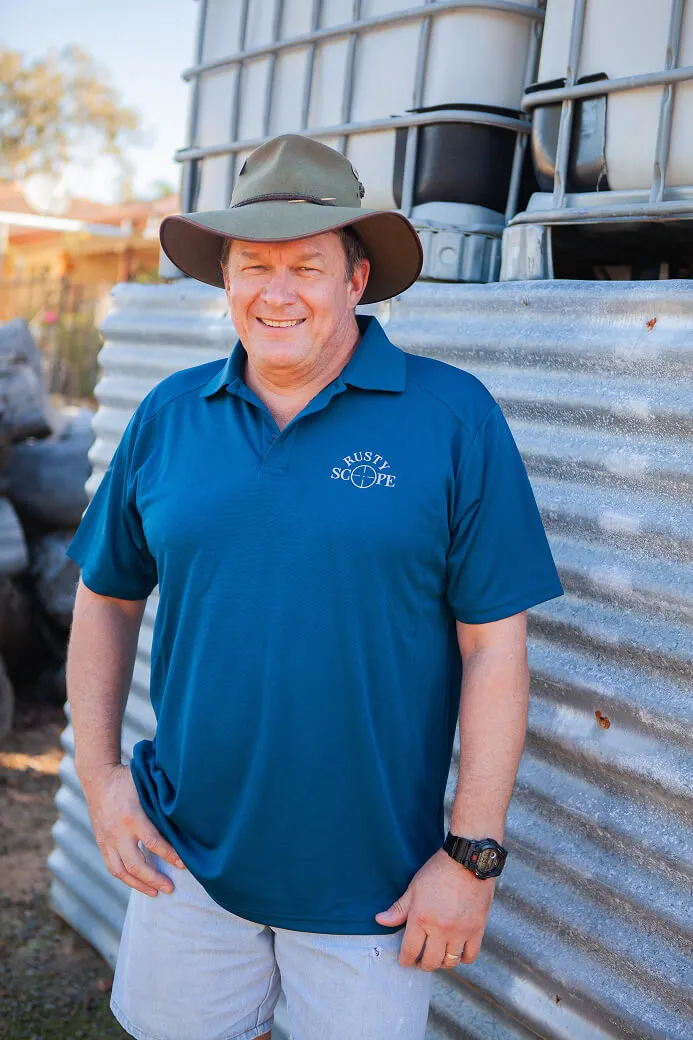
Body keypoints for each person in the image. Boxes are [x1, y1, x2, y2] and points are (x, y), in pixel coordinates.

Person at [65, 133, 563, 1040]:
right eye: (253, 266)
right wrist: (99, 779)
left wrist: (471, 855)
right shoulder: (170, 415)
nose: (277, 292)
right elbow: (107, 597)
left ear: (355, 280)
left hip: (372, 882)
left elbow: (494, 647)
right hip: (187, 858)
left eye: (306, 266)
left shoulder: (452, 417)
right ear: (225, 280)